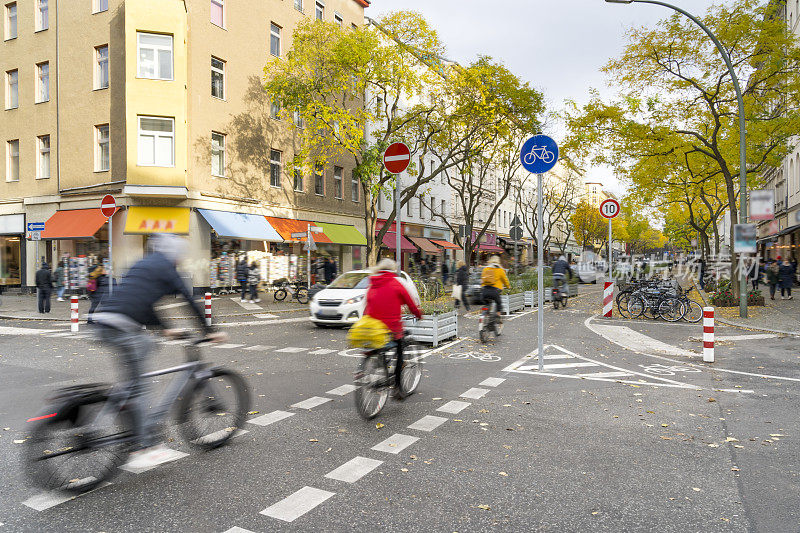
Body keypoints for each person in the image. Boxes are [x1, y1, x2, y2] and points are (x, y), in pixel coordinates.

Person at [93, 234, 226, 470]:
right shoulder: (168, 267)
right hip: (123, 326)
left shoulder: (142, 263)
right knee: (142, 385)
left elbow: (141, 302)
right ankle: (145, 446)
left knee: (134, 379)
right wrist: (210, 331)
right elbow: (190, 301)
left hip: (103, 322)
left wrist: (166, 329)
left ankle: (129, 418)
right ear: (174, 254)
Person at [364, 258, 423, 399]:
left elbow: (367, 305)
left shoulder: (372, 283)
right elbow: (410, 302)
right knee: (400, 352)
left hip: (372, 327)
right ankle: (397, 388)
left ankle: (380, 366)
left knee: (379, 348)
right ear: (393, 270)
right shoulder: (396, 283)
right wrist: (418, 315)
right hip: (392, 328)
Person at [481, 255, 510, 320]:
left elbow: (482, 279)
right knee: (498, 303)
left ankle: (484, 317)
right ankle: (498, 316)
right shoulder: (500, 270)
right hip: (495, 291)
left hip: (484, 290)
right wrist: (508, 286)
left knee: (487, 304)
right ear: (498, 262)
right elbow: (505, 280)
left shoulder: (485, 269)